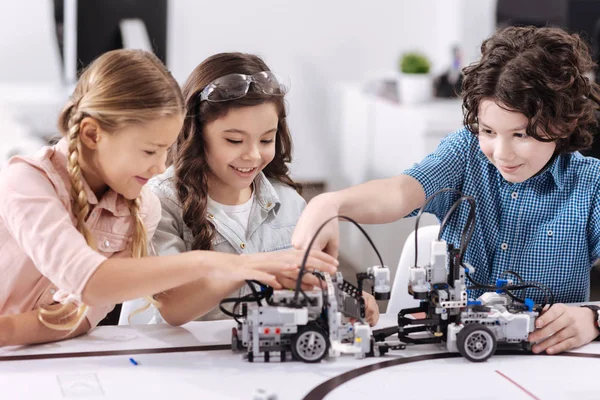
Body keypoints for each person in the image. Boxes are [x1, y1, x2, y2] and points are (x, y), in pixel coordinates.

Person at [292, 26, 600, 354]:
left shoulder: (590, 184)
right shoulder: (464, 153)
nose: (502, 153)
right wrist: (332, 203)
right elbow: (399, 193)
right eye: (488, 131)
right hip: (453, 357)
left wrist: (593, 318)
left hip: (545, 365)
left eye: (521, 135)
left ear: (560, 123)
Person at [0, 49, 335, 347]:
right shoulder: (27, 182)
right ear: (92, 134)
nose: (161, 166)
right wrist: (230, 264)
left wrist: (8, 333)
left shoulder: (139, 207)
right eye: (149, 150)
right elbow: (90, 282)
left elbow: (79, 315)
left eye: (165, 150)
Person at [142, 52, 362, 325]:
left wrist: (346, 302)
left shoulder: (290, 204)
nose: (253, 155)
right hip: (183, 359)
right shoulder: (160, 201)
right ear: (195, 134)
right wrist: (247, 268)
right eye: (234, 141)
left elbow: (313, 287)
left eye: (266, 139)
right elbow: (173, 309)